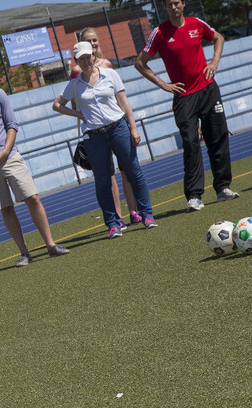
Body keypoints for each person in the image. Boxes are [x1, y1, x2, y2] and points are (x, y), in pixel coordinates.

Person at [0, 59, 70, 266]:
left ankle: (51, 245)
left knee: (32, 198)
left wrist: (5, 152)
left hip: (8, 158)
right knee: (6, 209)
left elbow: (12, 125)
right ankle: (25, 253)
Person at [135, 0, 240, 212]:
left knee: (218, 137)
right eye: (169, 5)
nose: (173, 7)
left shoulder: (196, 23)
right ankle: (194, 196)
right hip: (183, 96)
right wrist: (164, 85)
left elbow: (218, 38)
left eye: (177, 3)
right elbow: (140, 63)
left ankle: (223, 188)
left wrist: (214, 63)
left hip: (209, 90)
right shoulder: (160, 32)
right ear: (165, 8)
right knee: (191, 143)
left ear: (183, 4)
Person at [53, 42, 158, 238]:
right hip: (94, 137)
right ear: (76, 61)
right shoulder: (74, 85)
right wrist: (77, 113)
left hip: (118, 128)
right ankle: (112, 223)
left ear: (93, 55)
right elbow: (57, 105)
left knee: (134, 171)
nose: (85, 61)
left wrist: (133, 127)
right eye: (81, 59)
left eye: (88, 57)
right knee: (102, 181)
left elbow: (123, 102)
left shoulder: (111, 74)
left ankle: (147, 215)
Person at [70, 27, 143, 227]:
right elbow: (75, 101)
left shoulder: (108, 65)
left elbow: (120, 99)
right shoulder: (76, 70)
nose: (92, 44)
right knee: (107, 175)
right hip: (96, 131)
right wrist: (80, 112)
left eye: (94, 40)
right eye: (88, 40)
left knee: (127, 170)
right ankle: (117, 217)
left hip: (116, 125)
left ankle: (134, 211)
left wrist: (129, 124)